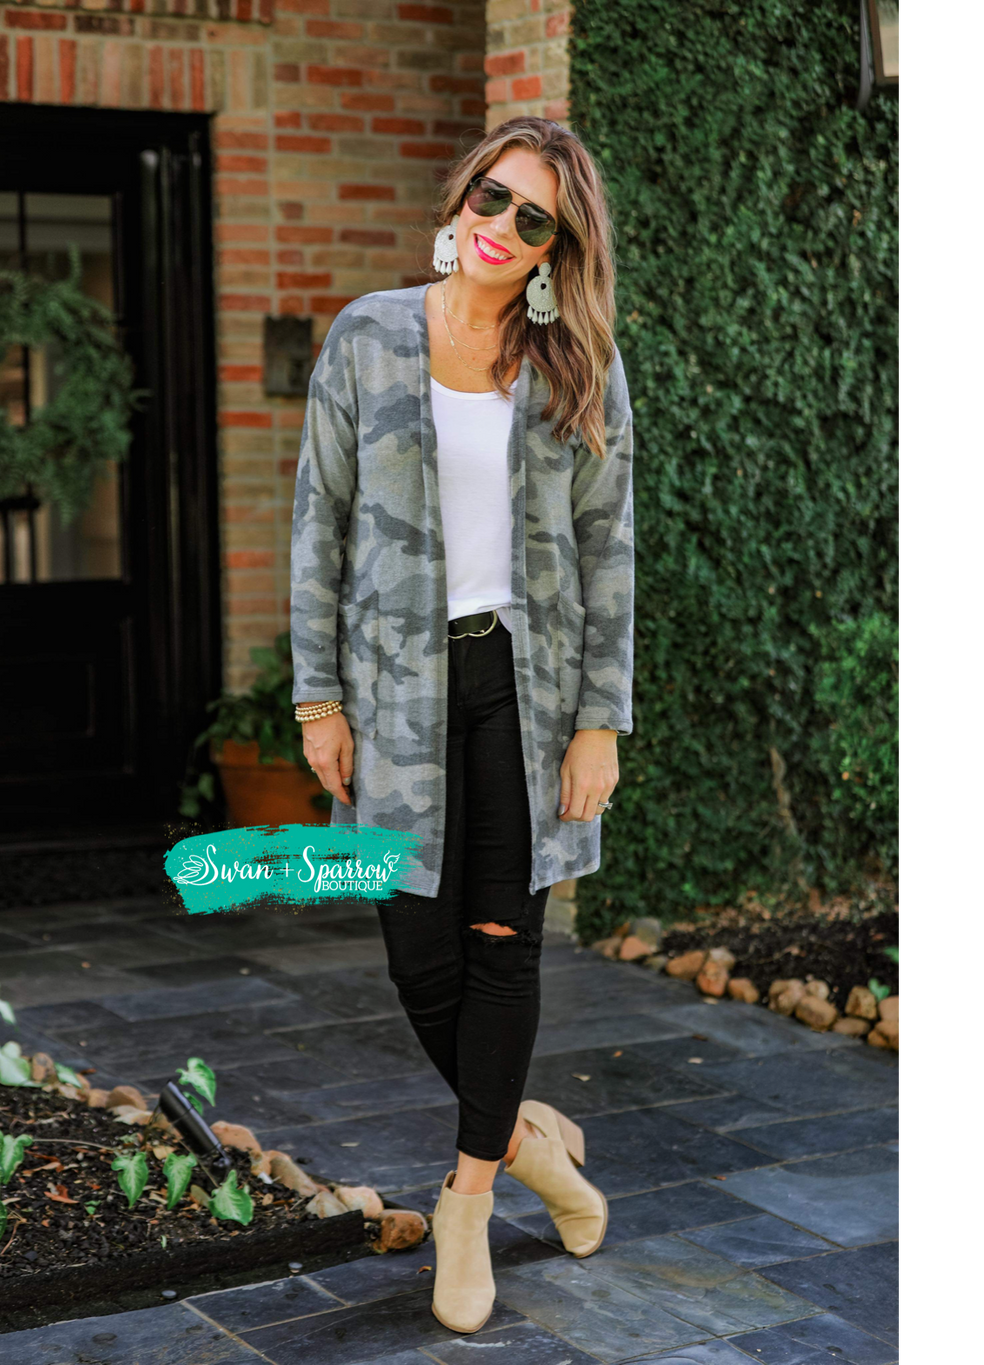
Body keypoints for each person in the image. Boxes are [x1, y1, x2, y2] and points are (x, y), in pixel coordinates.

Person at [289, 116, 634, 1334]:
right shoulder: (368, 336)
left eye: (534, 218)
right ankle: (535, 1150)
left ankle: (469, 1203)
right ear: (464, 195)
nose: (501, 225)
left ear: (555, 248)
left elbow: (608, 550)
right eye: (494, 196)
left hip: (526, 698)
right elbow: (319, 524)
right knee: (420, 958)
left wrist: (600, 722)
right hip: (397, 693)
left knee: (502, 946)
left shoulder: (576, 366)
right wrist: (318, 698)